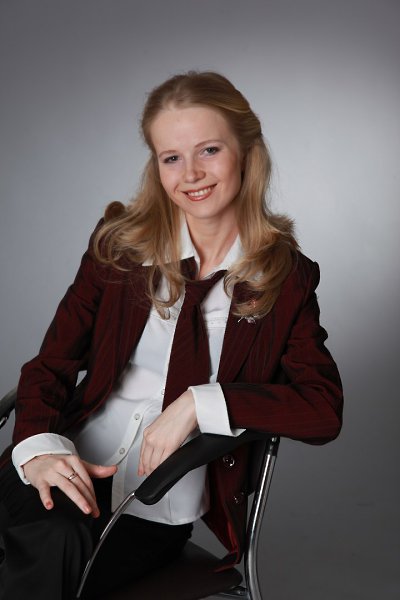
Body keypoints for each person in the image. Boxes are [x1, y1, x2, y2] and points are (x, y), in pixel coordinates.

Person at [0, 71, 343, 599]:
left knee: (54, 547)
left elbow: (321, 409)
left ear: (246, 152)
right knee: (47, 535)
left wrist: (201, 403)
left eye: (209, 150)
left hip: (155, 505)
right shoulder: (119, 249)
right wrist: (41, 449)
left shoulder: (285, 278)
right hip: (65, 464)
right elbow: (51, 365)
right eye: (171, 157)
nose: (191, 174)